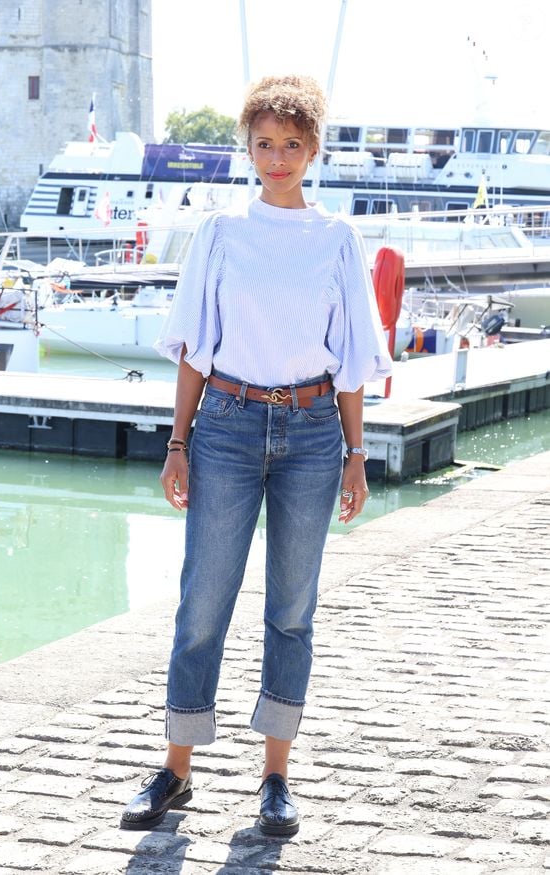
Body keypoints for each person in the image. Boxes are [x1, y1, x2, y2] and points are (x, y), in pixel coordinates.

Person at [121, 74, 392, 837]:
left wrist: (356, 452)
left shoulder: (337, 238)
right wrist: (177, 441)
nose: (277, 157)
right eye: (264, 143)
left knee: (292, 610)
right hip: (228, 427)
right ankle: (176, 770)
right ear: (248, 148)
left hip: (311, 434)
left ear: (312, 149)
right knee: (202, 601)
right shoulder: (220, 232)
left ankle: (275, 776)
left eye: (292, 144)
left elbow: (351, 362)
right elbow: (193, 347)